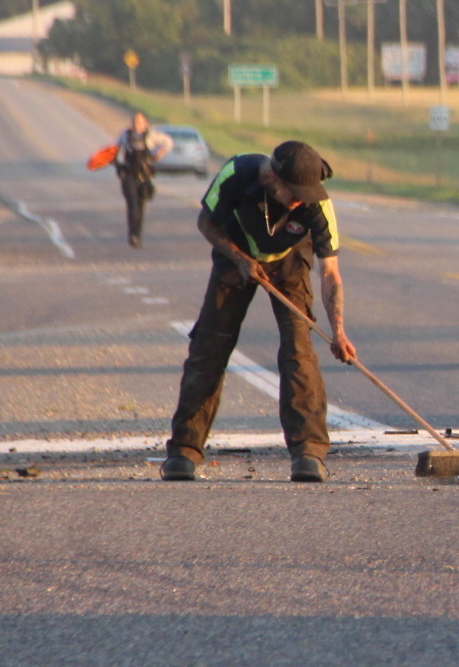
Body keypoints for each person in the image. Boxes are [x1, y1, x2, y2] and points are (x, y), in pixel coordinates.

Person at [162, 140, 359, 484]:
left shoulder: (316, 203)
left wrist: (339, 332)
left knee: (298, 350)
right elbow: (206, 222)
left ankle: (308, 452)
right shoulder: (237, 173)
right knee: (209, 347)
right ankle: (184, 450)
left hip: (290, 261)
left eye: (306, 195)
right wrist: (240, 259)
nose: (300, 201)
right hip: (234, 253)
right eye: (294, 194)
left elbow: (330, 273)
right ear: (272, 178)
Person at [116, 112, 175, 247]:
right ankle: (132, 234)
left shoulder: (151, 136)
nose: (137, 124)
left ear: (145, 124)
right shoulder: (126, 135)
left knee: (140, 205)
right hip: (129, 174)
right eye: (135, 121)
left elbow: (169, 142)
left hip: (144, 176)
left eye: (140, 122)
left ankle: (137, 235)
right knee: (132, 204)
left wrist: (158, 155)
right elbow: (116, 150)